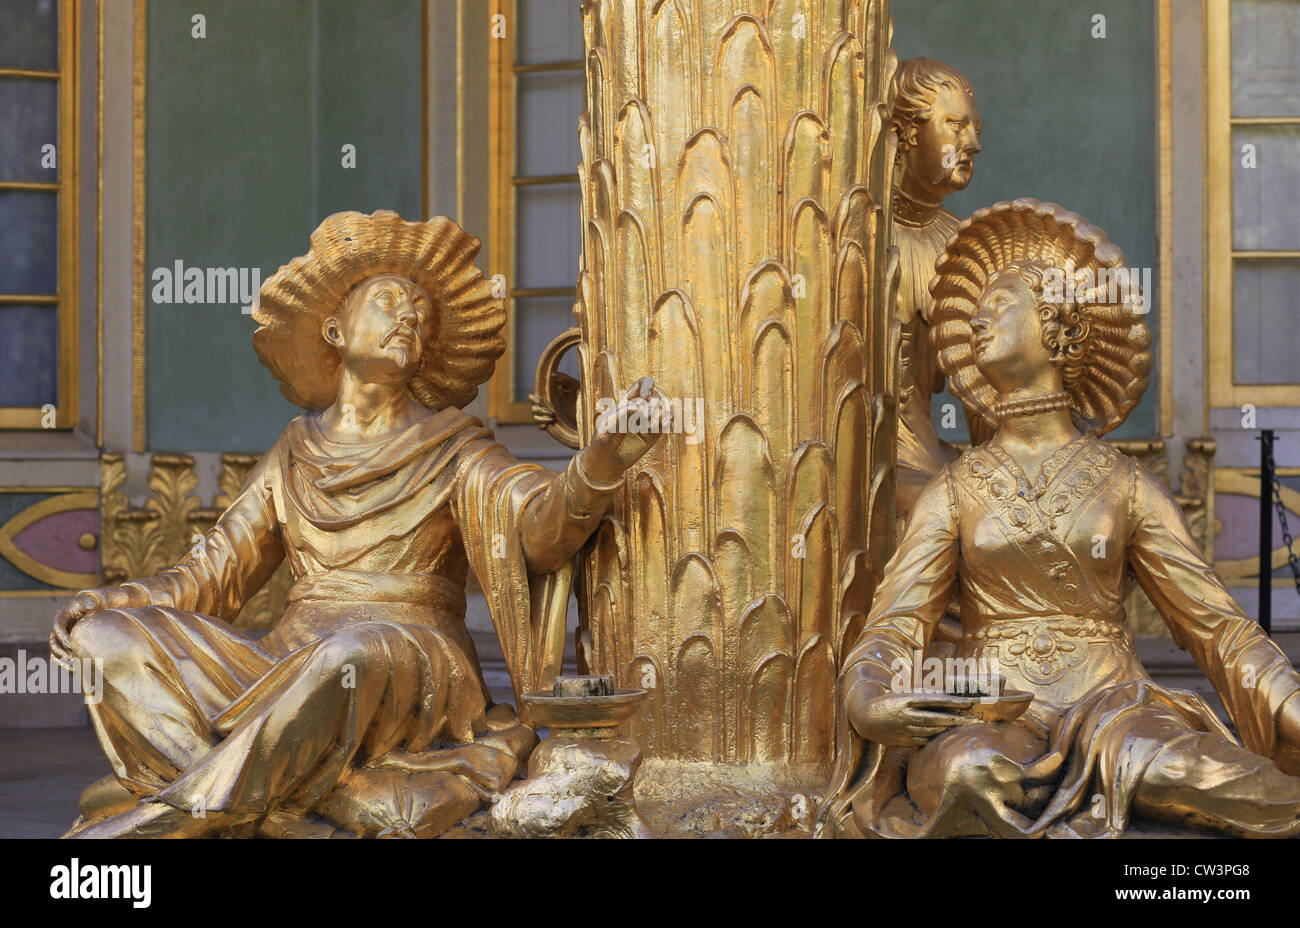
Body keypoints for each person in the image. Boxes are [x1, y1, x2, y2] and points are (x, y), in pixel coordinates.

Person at [51, 210, 668, 838]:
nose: (410, 317)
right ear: (334, 329)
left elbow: (538, 533)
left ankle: (178, 818)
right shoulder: (294, 450)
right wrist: (109, 602)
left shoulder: (454, 446)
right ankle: (267, 809)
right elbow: (211, 576)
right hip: (289, 664)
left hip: (406, 656)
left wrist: (600, 462)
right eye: (389, 300)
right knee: (107, 642)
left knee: (350, 653)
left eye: (422, 314)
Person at [823, 199, 1300, 838]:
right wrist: (868, 698)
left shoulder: (1126, 485)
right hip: (992, 716)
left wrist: (1291, 707)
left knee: (1195, 772)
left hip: (1115, 712)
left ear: (1058, 325)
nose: (977, 319)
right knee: (969, 771)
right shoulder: (956, 489)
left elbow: (1220, 628)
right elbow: (896, 625)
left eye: (1002, 302)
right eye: (975, 309)